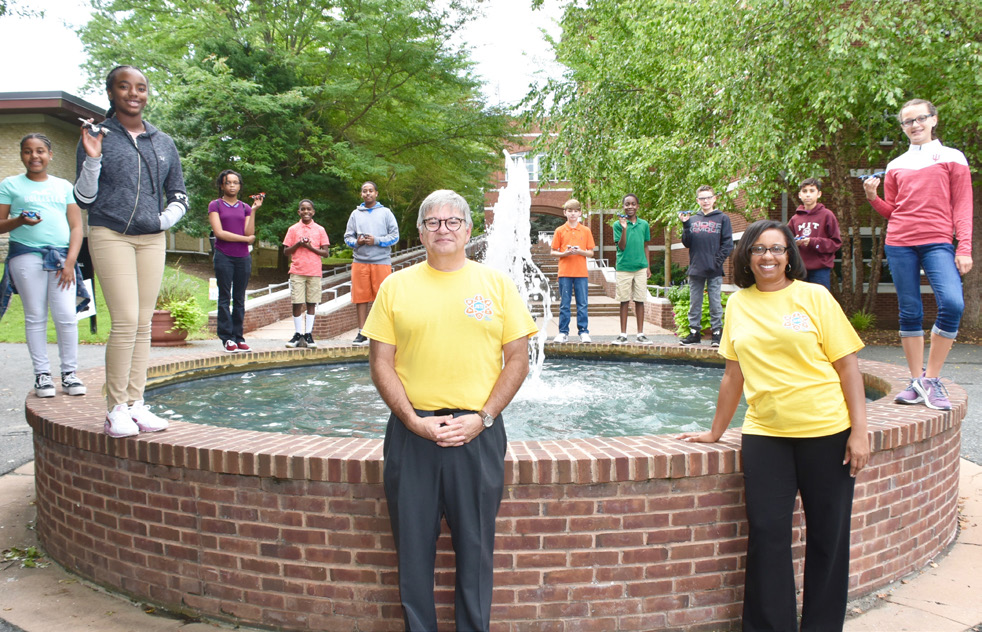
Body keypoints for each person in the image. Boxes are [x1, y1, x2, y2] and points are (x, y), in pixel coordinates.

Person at [677, 219, 869, 632]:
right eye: (760, 249)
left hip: (827, 433)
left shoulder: (814, 297)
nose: (768, 256)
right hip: (766, 435)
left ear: (789, 255)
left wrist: (859, 430)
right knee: (767, 535)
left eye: (777, 249)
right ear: (747, 254)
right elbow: (733, 376)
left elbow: (848, 366)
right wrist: (715, 431)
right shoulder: (739, 304)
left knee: (827, 538)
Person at [362, 189, 537, 632]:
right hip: (411, 433)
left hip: (478, 433)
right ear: (420, 233)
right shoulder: (396, 287)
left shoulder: (497, 285)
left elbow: (518, 358)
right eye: (433, 222)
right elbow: (380, 362)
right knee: (412, 552)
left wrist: (485, 417)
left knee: (476, 552)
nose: (443, 229)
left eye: (452, 221)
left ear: (468, 231)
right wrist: (412, 420)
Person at [75, 65, 188, 438]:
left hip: (151, 237)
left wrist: (161, 222)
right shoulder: (97, 136)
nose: (133, 93)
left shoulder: (163, 142)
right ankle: (115, 408)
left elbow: (179, 196)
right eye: (125, 87)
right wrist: (92, 158)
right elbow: (84, 197)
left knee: (143, 323)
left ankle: (137, 404)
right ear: (111, 93)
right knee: (125, 320)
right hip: (110, 233)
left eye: (140, 87)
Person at [863, 98, 972, 411]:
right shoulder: (896, 164)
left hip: (938, 241)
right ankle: (915, 381)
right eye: (908, 122)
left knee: (952, 303)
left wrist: (963, 247)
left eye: (920, 119)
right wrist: (873, 198)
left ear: (933, 119)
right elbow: (893, 211)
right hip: (899, 243)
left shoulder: (952, 157)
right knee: (910, 312)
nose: (915, 125)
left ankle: (930, 379)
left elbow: (963, 205)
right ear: (902, 127)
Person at [0, 133, 88, 398]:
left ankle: (70, 374)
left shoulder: (63, 186)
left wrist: (71, 261)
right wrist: (20, 221)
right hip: (25, 256)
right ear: (22, 155)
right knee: (35, 316)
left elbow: (76, 226)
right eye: (28, 151)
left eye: (40, 151)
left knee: (66, 316)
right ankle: (42, 376)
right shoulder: (10, 185)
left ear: (50, 155)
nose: (34, 156)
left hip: (62, 258)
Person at [208, 170, 263, 353]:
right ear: (222, 185)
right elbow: (219, 233)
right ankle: (227, 338)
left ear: (240, 186)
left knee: (239, 298)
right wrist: (244, 240)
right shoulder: (215, 205)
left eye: (235, 182)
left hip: (243, 258)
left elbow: (250, 232)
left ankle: (238, 337)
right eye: (228, 182)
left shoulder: (245, 207)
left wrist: (254, 210)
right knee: (224, 297)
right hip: (224, 256)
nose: (232, 185)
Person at [344, 181, 399, 346]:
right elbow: (348, 237)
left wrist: (376, 240)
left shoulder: (386, 213)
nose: (367, 193)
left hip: (381, 261)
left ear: (376, 193)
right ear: (361, 194)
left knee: (382, 298)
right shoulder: (355, 214)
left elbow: (395, 236)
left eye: (370, 191)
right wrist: (358, 242)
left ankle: (381, 331)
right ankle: (362, 332)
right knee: (360, 298)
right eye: (364, 191)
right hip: (360, 261)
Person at [679, 185, 733, 347]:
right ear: (697, 201)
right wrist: (685, 225)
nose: (705, 201)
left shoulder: (722, 218)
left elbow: (728, 244)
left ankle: (717, 333)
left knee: (715, 301)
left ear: (714, 199)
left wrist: (717, 262)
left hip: (714, 269)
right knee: (695, 301)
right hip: (696, 268)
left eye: (708, 197)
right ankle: (694, 333)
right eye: (702, 198)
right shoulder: (692, 219)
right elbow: (686, 242)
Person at [282, 199, 329, 348]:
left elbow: (326, 253)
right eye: (303, 209)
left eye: (309, 209)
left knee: (311, 302)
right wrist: (298, 244)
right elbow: (286, 251)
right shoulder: (293, 229)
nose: (306, 212)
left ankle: (308, 334)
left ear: (313, 212)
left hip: (314, 271)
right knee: (297, 302)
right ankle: (297, 334)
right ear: (299, 212)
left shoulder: (320, 229)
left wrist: (309, 247)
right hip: (297, 270)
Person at [550, 198, 596, 343]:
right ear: (565, 212)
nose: (573, 214)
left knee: (582, 303)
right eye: (570, 211)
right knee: (565, 304)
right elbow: (553, 251)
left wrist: (580, 251)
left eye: (576, 211)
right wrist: (564, 254)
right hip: (565, 273)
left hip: (581, 273)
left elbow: (591, 253)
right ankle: (563, 332)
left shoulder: (585, 230)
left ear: (580, 213)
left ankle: (583, 331)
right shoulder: (560, 230)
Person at [612, 193, 652, 345]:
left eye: (633, 204)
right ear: (623, 206)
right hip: (624, 268)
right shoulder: (617, 225)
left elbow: (646, 246)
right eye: (627, 204)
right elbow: (621, 246)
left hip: (640, 267)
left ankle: (640, 334)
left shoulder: (644, 224)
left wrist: (648, 266)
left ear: (637, 206)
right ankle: (623, 334)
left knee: (640, 300)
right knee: (624, 301)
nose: (630, 207)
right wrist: (624, 228)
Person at [788, 177, 841, 290]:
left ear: (819, 194)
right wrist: (794, 242)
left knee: (819, 303)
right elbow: (786, 242)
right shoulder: (795, 219)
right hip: (800, 269)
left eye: (812, 191)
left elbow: (836, 243)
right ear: (799, 195)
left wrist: (813, 242)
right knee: (800, 302)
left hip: (820, 270)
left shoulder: (827, 215)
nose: (808, 195)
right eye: (804, 191)